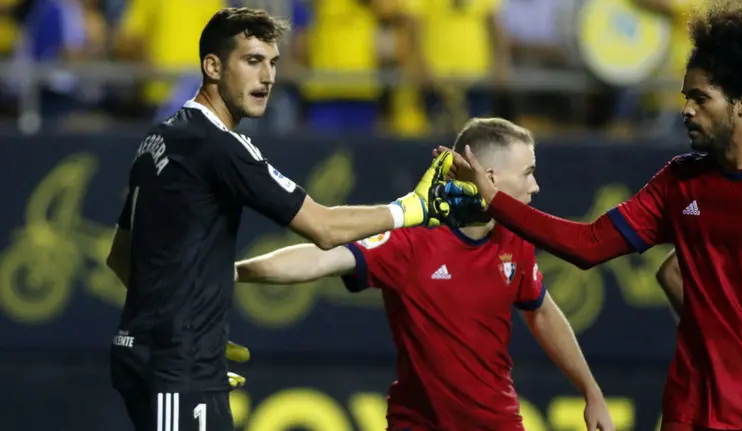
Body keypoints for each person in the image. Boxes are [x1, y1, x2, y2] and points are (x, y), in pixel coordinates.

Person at [104, 8, 477, 431]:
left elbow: (120, 256)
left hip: (159, 354)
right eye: (252, 61)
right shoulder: (220, 146)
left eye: (273, 62)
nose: (267, 77)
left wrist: (192, 335)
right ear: (212, 66)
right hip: (175, 364)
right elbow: (324, 228)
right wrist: (413, 208)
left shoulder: (161, 135)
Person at [443, 1, 742, 430]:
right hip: (688, 413)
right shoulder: (679, 181)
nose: (686, 109)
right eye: (685, 97)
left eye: (701, 98)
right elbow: (588, 245)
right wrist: (495, 200)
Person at [235, 118, 615, 431]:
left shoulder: (515, 238)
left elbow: (543, 312)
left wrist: (592, 392)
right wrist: (234, 272)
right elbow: (318, 259)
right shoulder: (412, 239)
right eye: (529, 172)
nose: (536, 186)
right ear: (491, 177)